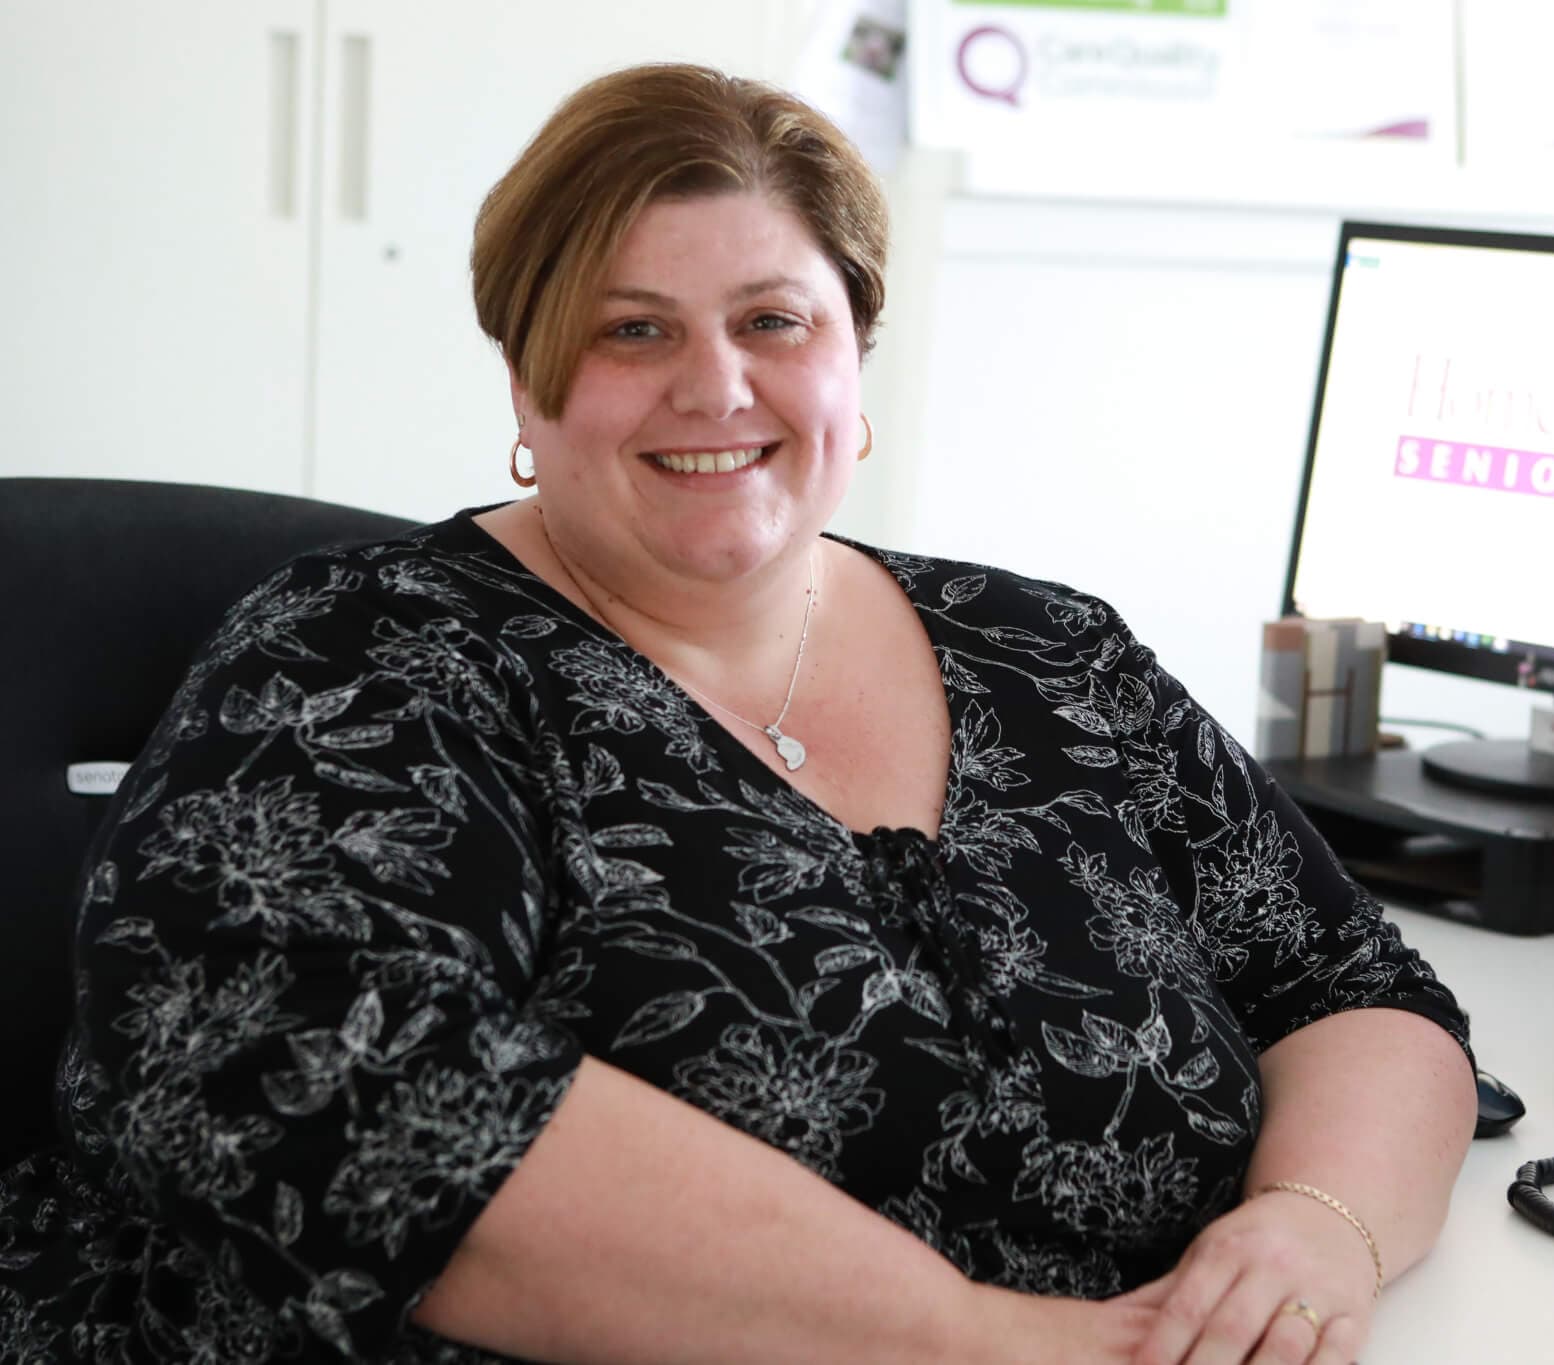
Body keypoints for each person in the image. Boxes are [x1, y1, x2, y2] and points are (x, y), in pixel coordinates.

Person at [0, 63, 1475, 1364]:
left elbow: (1351, 986)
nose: (715, 384)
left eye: (774, 318)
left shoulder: (1052, 653)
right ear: (529, 378)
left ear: (855, 359)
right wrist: (979, 1342)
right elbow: (345, 1100)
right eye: (633, 330)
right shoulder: (360, 657)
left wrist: (1316, 1228)